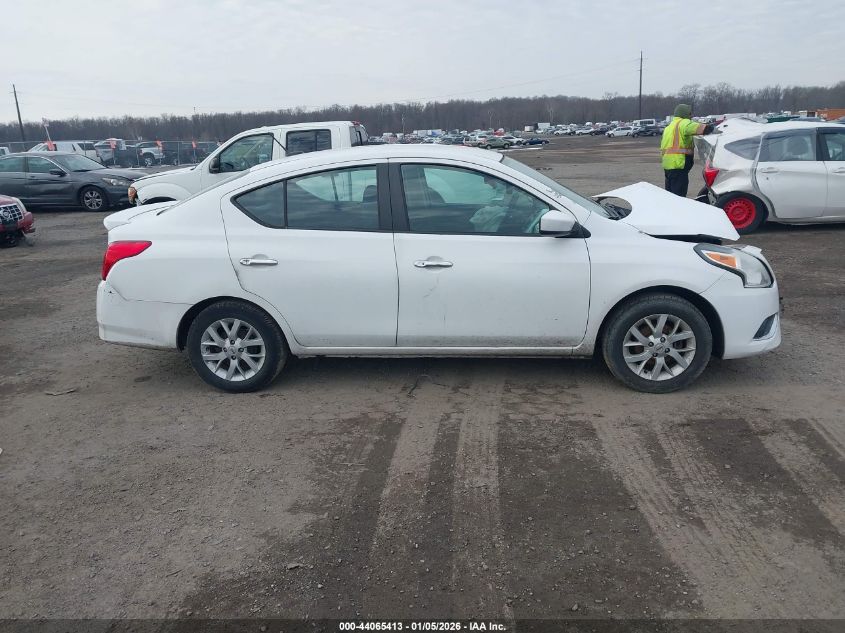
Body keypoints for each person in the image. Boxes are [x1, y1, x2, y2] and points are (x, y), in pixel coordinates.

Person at [660, 104, 713, 197]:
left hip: (668, 166)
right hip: (678, 165)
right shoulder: (683, 123)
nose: (691, 116)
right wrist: (714, 128)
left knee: (670, 196)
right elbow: (702, 129)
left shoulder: (669, 127)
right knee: (679, 197)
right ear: (684, 114)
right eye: (689, 114)